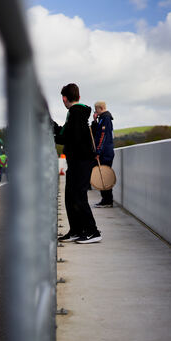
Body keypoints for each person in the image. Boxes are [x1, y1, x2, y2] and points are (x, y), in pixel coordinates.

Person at [53, 83, 101, 244]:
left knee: (79, 196)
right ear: (78, 97)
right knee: (70, 196)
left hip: (81, 161)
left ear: (64, 98)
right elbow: (67, 135)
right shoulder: (76, 113)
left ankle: (92, 231)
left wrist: (52, 131)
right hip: (77, 161)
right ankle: (76, 230)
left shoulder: (76, 113)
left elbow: (69, 138)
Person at [91, 101, 115, 208]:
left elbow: (103, 136)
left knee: (104, 176)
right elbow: (96, 132)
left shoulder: (106, 119)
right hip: (103, 152)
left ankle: (107, 200)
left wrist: (98, 151)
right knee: (101, 176)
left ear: (100, 108)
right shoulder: (102, 119)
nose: (95, 112)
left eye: (96, 110)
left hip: (105, 153)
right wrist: (95, 120)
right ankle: (105, 199)